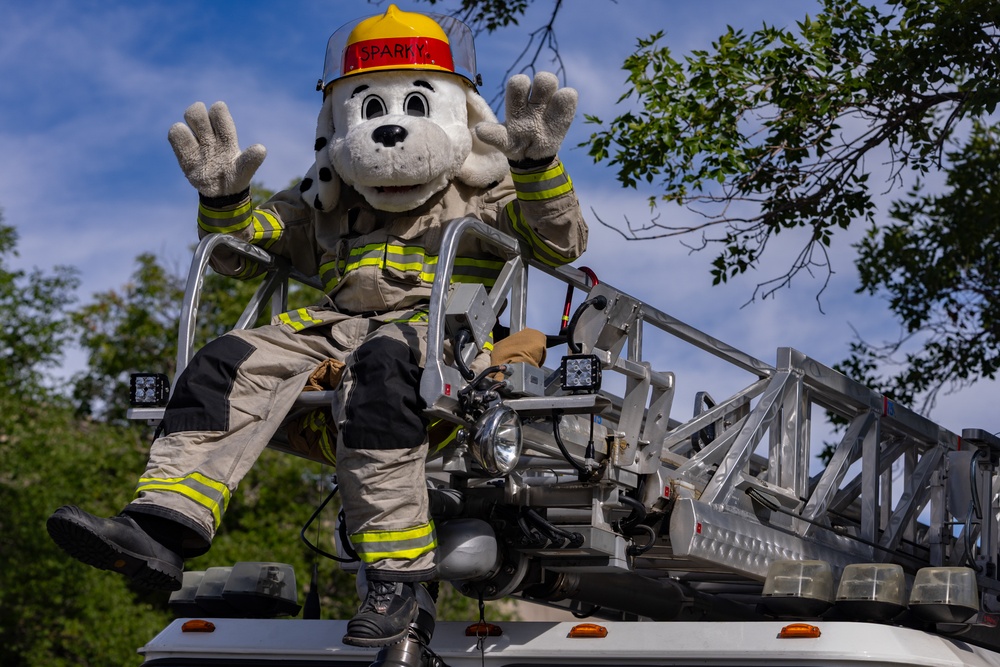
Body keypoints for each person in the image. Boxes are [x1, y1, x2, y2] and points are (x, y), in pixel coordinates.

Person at [47, 4, 586, 647]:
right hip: (329, 328)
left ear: (457, 113)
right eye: (370, 109)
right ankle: (161, 528)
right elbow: (243, 253)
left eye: (415, 106)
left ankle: (396, 578)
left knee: (386, 373)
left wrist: (535, 170)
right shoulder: (321, 201)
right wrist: (222, 202)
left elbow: (560, 244)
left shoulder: (485, 194)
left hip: (439, 332)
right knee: (224, 360)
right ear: (338, 120)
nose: (391, 130)